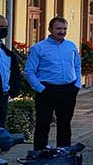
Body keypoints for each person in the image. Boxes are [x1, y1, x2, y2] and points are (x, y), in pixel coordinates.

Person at [25, 17, 81, 150]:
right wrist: (40, 89)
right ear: (50, 29)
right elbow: (29, 71)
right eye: (58, 28)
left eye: (64, 28)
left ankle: (64, 152)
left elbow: (77, 66)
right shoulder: (39, 48)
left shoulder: (71, 46)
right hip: (47, 90)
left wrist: (77, 84)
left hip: (68, 89)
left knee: (65, 124)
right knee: (43, 124)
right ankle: (40, 152)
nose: (62, 32)